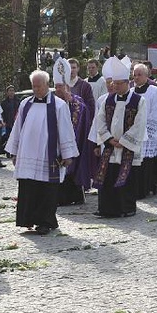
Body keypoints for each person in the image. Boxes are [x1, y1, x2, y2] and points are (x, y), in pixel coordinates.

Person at [5, 70, 79, 235]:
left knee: (47, 190)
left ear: (47, 85)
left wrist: (67, 154)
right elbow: (18, 128)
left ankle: (46, 222)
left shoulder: (59, 105)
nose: (36, 89)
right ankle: (28, 219)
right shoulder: (25, 104)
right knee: (29, 188)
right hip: (27, 155)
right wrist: (14, 151)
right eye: (34, 86)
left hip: (48, 157)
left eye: (39, 86)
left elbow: (66, 129)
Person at [93, 56, 147, 218]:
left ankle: (126, 207)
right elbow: (100, 119)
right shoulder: (108, 100)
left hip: (127, 147)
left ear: (126, 83)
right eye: (113, 84)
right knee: (107, 177)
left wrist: (123, 142)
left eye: (118, 84)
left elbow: (139, 124)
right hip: (110, 145)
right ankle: (107, 208)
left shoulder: (139, 100)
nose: (114, 86)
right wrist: (109, 139)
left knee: (127, 178)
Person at [53, 57, 92, 206]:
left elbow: (85, 112)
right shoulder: (51, 101)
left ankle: (75, 196)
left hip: (74, 143)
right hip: (56, 144)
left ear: (67, 86)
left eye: (61, 86)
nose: (58, 90)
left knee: (73, 169)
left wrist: (73, 101)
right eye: (56, 87)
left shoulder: (76, 101)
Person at [131, 64, 157, 198]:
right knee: (136, 162)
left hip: (149, 132)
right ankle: (137, 188)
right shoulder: (131, 91)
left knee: (147, 162)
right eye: (135, 75)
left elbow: (156, 111)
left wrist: (146, 130)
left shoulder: (153, 91)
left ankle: (148, 186)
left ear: (146, 76)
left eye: (139, 75)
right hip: (135, 132)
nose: (136, 77)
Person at [1, 85, 19, 150]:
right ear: (7, 92)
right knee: (8, 137)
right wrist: (4, 121)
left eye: (13, 90)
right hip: (8, 123)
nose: (11, 92)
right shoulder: (4, 103)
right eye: (10, 91)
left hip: (16, 122)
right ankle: (8, 151)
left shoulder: (18, 101)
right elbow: (2, 113)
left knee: (16, 137)